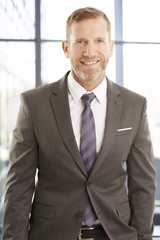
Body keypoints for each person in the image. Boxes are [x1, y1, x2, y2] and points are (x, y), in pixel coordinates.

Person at [2, 7, 156, 240]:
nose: (90, 51)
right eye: (80, 41)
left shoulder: (135, 106)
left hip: (116, 234)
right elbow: (19, 187)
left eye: (99, 41)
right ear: (66, 48)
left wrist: (143, 237)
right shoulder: (34, 104)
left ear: (111, 47)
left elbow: (143, 184)